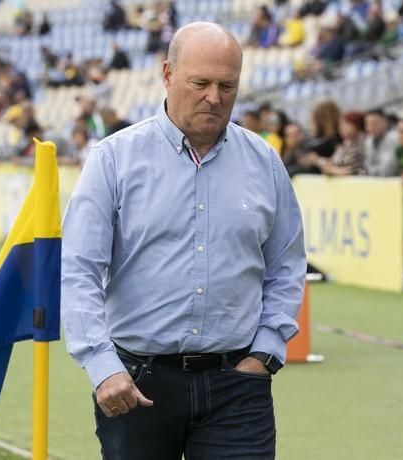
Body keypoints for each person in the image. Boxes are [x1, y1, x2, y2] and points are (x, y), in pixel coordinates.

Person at [61, 22, 306, 459]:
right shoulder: (114, 159)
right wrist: (102, 368)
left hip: (239, 383)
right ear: (168, 74)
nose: (214, 96)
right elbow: (78, 269)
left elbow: (286, 262)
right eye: (201, 83)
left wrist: (267, 349)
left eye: (227, 85)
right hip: (136, 384)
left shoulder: (264, 162)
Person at [313, 111, 367, 176]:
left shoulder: (362, 144)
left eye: (346, 124)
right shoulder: (344, 145)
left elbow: (352, 171)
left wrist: (330, 169)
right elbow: (332, 163)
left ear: (357, 125)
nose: (341, 128)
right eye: (340, 124)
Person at [363, 108, 399, 177]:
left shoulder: (394, 139)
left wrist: (372, 170)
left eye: (375, 123)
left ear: (385, 122)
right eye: (368, 124)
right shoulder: (368, 141)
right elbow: (366, 167)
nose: (371, 128)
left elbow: (387, 171)